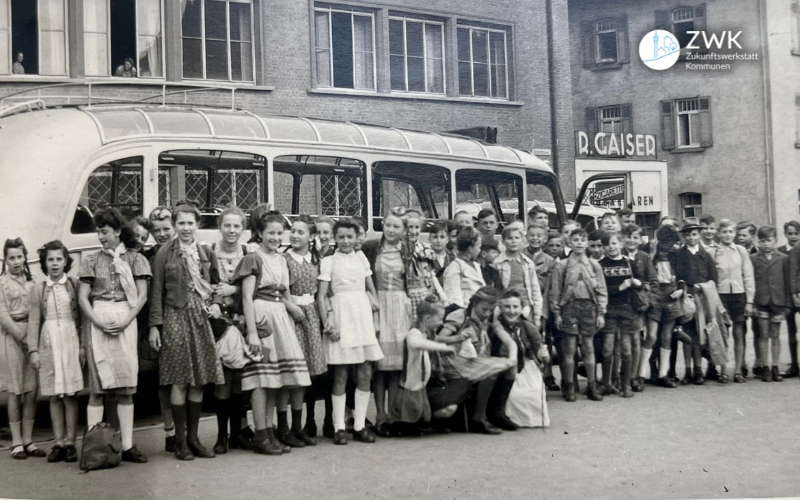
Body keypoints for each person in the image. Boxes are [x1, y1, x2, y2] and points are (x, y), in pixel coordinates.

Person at [149, 202, 224, 460]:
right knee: (180, 379)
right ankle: (180, 441)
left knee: (199, 381)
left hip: (200, 318)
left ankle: (194, 439)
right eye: (180, 223)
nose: (185, 228)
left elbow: (216, 286)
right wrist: (155, 327)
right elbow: (156, 291)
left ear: (197, 225)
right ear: (175, 225)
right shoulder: (164, 254)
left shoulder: (205, 252)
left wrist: (215, 304)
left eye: (190, 223)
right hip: (175, 317)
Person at [235, 211, 311, 454]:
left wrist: (292, 309)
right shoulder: (253, 258)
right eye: (270, 233)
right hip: (262, 316)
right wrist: (252, 332)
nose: (276, 238)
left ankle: (269, 431)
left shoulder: (281, 259)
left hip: (280, 316)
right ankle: (260, 433)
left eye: (279, 233)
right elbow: (247, 297)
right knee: (261, 377)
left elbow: (285, 294)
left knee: (275, 379)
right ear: (260, 233)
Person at [79, 207, 150, 464]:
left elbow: (141, 296)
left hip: (125, 318)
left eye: (105, 231)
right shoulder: (90, 260)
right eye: (98, 231)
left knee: (125, 388)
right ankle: (94, 446)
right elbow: (82, 297)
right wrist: (97, 321)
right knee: (97, 389)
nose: (100, 236)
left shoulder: (135, 259)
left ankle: (128, 446)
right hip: (99, 320)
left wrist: (125, 321)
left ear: (118, 231)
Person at [317, 218, 383, 445]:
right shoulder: (329, 261)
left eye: (350, 237)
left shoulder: (362, 258)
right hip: (341, 316)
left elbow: (371, 291)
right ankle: (338, 427)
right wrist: (328, 323)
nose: (345, 241)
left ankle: (360, 425)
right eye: (341, 237)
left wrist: (375, 320)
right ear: (335, 239)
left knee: (365, 371)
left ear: (356, 239)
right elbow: (322, 295)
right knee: (341, 374)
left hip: (361, 316)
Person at [27, 241, 82, 463]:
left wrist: (83, 346)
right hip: (49, 342)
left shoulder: (74, 285)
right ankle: (58, 442)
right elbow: (33, 321)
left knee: (70, 394)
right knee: (54, 395)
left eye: (59, 259)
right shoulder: (39, 289)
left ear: (66, 261)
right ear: (44, 263)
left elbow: (83, 318)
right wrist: (33, 350)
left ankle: (71, 442)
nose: (55, 263)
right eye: (50, 259)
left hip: (70, 341)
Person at [361, 208, 412, 436]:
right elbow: (364, 278)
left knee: (396, 366)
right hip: (378, 306)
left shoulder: (408, 251)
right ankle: (379, 413)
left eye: (396, 227)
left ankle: (392, 413)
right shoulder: (372, 248)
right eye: (388, 225)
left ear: (404, 230)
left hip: (400, 308)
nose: (391, 230)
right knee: (379, 366)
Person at [436, 286, 515, 434]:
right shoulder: (461, 315)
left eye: (491, 310)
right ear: (474, 303)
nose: (487, 313)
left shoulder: (490, 317)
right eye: (484, 309)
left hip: (475, 362)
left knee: (507, 366)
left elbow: (508, 339)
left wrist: (513, 357)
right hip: (455, 361)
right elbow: (439, 340)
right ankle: (478, 418)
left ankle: (497, 414)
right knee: (493, 368)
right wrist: (458, 338)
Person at [282, 215, 326, 446]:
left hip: (311, 316)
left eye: (300, 232)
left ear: (311, 237)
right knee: (292, 372)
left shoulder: (315, 259)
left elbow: (320, 293)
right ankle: (284, 427)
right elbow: (279, 289)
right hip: (291, 316)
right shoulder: (285, 259)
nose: (295, 236)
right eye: (293, 231)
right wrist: (292, 307)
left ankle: (299, 428)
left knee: (306, 375)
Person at [210, 207, 251, 454]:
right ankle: (221, 435)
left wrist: (233, 291)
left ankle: (238, 433)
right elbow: (204, 283)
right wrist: (215, 299)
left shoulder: (247, 254)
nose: (232, 231)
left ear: (243, 229)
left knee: (239, 379)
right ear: (220, 226)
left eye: (237, 226)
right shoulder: (209, 253)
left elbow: (254, 287)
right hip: (218, 322)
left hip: (241, 320)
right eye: (228, 226)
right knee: (222, 378)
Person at [550, 228, 608, 402]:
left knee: (588, 347)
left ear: (587, 243)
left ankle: (591, 385)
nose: (579, 243)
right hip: (569, 308)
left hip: (589, 308)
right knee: (569, 348)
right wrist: (557, 313)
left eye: (582, 240)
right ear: (569, 242)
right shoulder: (562, 265)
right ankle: (569, 386)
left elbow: (602, 291)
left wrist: (601, 313)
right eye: (575, 240)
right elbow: (555, 291)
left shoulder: (594, 265)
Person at [0, 239, 45, 460]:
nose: (16, 262)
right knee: (15, 391)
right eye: (11, 258)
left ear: (25, 257)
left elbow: (38, 310)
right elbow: (3, 316)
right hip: (12, 338)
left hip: (32, 335)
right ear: (5, 260)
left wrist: (33, 340)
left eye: (19, 256)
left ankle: (28, 440)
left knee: (31, 391)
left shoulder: (33, 281)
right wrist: (22, 338)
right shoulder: (2, 283)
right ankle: (16, 441)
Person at [390, 296, 458, 436]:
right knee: (411, 404)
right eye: (439, 319)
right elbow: (418, 344)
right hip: (411, 383)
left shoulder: (424, 334)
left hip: (420, 383)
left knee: (418, 404)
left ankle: (417, 424)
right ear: (427, 319)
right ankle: (405, 426)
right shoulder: (413, 334)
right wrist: (443, 347)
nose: (440, 323)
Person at [142, 206, 176, 451]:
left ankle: (184, 430)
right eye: (157, 231)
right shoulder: (150, 256)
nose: (162, 234)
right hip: (162, 321)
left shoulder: (183, 251)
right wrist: (154, 326)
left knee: (183, 380)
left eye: (167, 229)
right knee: (165, 381)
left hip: (182, 320)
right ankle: (170, 431)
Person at [493, 290, 550, 428]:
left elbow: (541, 356)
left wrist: (544, 356)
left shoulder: (527, 327)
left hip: (525, 365)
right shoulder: (495, 326)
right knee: (513, 395)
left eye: (515, 307)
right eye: (507, 307)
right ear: (500, 309)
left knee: (532, 392)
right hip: (501, 365)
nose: (511, 311)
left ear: (521, 308)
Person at [598, 233, 644, 397]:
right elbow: (600, 290)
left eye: (614, 243)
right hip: (609, 310)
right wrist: (620, 287)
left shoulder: (629, 262)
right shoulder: (600, 264)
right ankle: (606, 384)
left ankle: (626, 385)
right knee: (607, 349)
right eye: (607, 244)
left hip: (628, 310)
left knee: (626, 349)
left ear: (620, 244)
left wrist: (638, 283)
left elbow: (641, 281)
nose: (611, 246)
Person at [674, 218, 718, 385]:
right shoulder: (679, 254)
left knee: (700, 334)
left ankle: (698, 369)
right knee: (687, 335)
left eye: (694, 234)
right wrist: (682, 288)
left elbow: (713, 278)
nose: (691, 238)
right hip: (686, 299)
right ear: (684, 237)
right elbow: (677, 276)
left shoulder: (705, 255)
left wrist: (704, 286)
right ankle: (687, 370)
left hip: (701, 298)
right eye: (687, 235)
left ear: (699, 235)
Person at [638, 225, 682, 388]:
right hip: (655, 296)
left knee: (667, 336)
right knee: (651, 336)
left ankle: (664, 374)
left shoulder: (676, 255)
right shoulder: (649, 252)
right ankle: (641, 374)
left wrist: (680, 290)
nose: (670, 247)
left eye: (672, 243)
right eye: (667, 243)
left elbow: (682, 277)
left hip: (672, 296)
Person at [712, 219, 754, 383]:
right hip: (722, 297)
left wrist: (749, 300)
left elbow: (748, 276)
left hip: (739, 295)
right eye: (724, 232)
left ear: (734, 234)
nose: (728, 235)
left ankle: (737, 371)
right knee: (723, 335)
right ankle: (723, 371)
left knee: (739, 334)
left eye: (730, 232)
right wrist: (715, 301)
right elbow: (712, 279)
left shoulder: (741, 251)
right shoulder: (714, 252)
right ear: (719, 234)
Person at [620, 224, 657, 393]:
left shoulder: (644, 257)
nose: (631, 241)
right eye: (628, 237)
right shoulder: (618, 255)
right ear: (623, 238)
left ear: (640, 239)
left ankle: (634, 376)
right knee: (620, 343)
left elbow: (653, 281)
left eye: (635, 237)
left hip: (638, 306)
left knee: (636, 340)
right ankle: (619, 376)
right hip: (620, 303)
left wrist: (647, 300)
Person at [751, 226, 791, 382]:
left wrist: (787, 303)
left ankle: (775, 367)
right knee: (763, 335)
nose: (766, 244)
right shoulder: (753, 258)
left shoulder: (783, 258)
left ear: (775, 241)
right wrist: (753, 303)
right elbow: (751, 282)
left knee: (775, 335)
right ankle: (765, 367)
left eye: (769, 240)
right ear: (758, 242)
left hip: (778, 301)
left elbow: (787, 282)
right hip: (761, 302)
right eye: (762, 241)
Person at [492, 225, 543, 326]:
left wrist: (537, 315)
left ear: (522, 241)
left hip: (525, 305)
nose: (513, 241)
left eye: (517, 238)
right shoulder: (497, 263)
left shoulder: (528, 263)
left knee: (528, 333)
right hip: (506, 305)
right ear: (503, 241)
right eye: (510, 238)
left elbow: (535, 290)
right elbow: (495, 288)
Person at [404, 210, 447, 317]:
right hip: (408, 297)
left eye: (417, 227)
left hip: (425, 294)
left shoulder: (424, 249)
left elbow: (431, 275)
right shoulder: (400, 249)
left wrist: (442, 295)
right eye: (410, 227)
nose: (413, 231)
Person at [443, 228, 485, 308]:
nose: (479, 250)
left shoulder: (476, 266)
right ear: (470, 248)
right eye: (478, 247)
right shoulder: (454, 268)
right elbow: (454, 301)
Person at [780, 220, 800, 377]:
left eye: (796, 233)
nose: (793, 237)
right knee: (791, 330)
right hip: (789, 296)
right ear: (785, 234)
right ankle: (794, 364)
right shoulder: (785, 251)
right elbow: (791, 273)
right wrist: (792, 294)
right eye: (790, 233)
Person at [429, 221, 454, 286]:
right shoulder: (425, 258)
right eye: (435, 237)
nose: (438, 241)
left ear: (447, 239)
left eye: (442, 237)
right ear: (429, 239)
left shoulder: (452, 259)